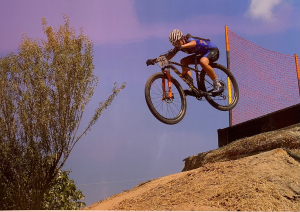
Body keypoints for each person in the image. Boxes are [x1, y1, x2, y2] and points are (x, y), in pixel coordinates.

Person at [146, 29, 224, 96]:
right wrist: (155, 60)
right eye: (174, 44)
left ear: (182, 38)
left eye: (177, 42)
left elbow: (194, 43)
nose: (176, 45)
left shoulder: (188, 39)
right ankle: (192, 87)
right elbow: (169, 56)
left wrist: (182, 46)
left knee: (203, 62)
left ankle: (218, 85)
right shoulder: (179, 46)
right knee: (183, 61)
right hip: (201, 54)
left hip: (212, 50)